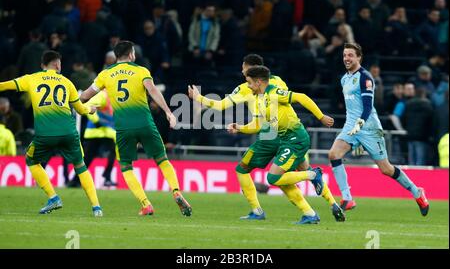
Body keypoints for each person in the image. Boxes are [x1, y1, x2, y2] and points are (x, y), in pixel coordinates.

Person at [189, 55, 344, 222]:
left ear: (252, 73)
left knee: (244, 169)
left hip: (273, 136)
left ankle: (258, 210)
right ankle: (330, 204)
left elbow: (221, 106)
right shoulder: (278, 80)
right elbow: (280, 111)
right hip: (286, 133)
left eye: (244, 68)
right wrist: (240, 127)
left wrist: (199, 98)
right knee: (294, 171)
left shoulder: (247, 89)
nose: (242, 71)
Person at [80, 41, 192, 217]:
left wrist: (85, 108)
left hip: (124, 129)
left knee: (126, 166)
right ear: (132, 54)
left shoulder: (105, 74)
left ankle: (146, 204)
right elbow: (153, 91)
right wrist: (169, 113)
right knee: (162, 160)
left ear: (116, 55)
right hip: (145, 124)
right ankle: (176, 191)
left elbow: (85, 96)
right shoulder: (141, 71)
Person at [226, 66, 338, 224]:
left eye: (250, 83)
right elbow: (259, 125)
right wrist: (240, 128)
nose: (248, 86)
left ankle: (313, 175)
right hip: (287, 140)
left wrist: (321, 116)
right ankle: (311, 214)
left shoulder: (274, 93)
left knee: (273, 177)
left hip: (296, 139)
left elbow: (302, 97)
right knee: (281, 179)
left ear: (258, 82)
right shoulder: (263, 98)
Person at [327, 43, 429, 216]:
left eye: (350, 55)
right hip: (351, 126)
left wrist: (360, 125)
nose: (347, 58)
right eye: (345, 55)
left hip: (369, 128)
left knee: (386, 169)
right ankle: (347, 197)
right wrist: (354, 129)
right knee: (333, 155)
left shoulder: (365, 77)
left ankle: (417, 192)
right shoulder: (344, 79)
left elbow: (367, 107)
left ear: (359, 57)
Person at [0, 50, 102, 217]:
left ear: (42, 65)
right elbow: (80, 110)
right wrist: (90, 109)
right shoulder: (67, 82)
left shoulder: (31, 78)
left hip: (45, 135)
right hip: (69, 133)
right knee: (80, 166)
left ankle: (53, 197)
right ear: (57, 64)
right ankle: (96, 207)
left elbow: (5, 85)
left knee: (31, 160)